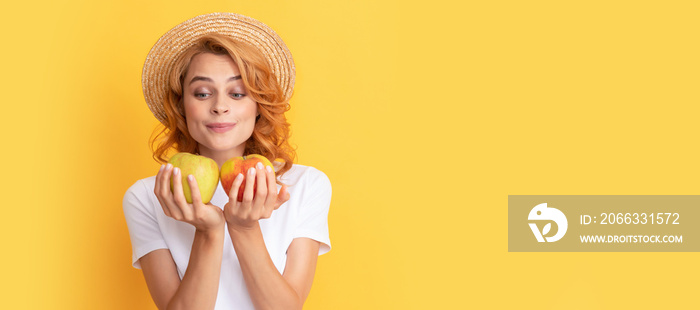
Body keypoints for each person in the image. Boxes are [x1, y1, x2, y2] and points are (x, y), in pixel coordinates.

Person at [123, 12, 332, 310]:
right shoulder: (148, 197)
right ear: (182, 105)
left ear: (259, 105)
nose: (220, 107)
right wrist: (209, 232)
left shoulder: (304, 185)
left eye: (237, 93)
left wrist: (245, 229)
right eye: (203, 93)